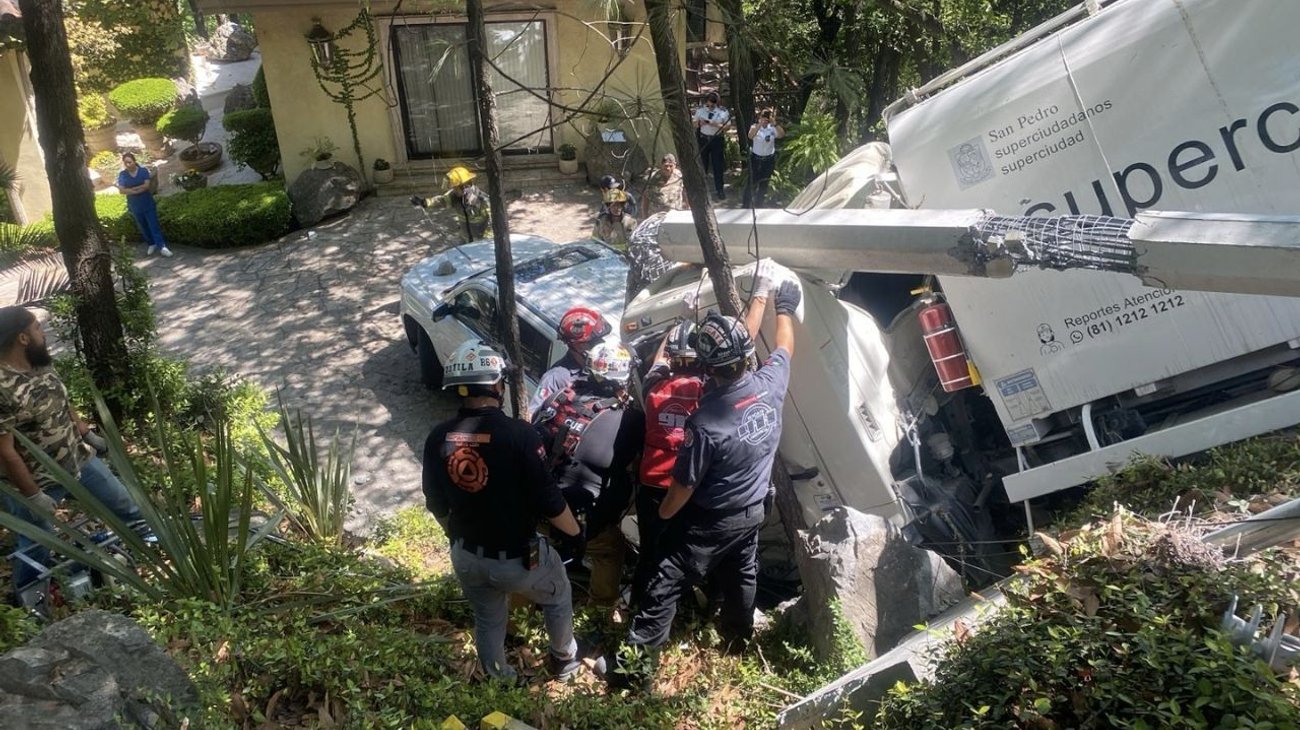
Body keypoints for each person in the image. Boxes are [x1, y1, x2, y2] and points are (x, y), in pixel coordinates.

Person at [605, 279, 802, 689]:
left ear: (708, 367)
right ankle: (737, 639)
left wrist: (662, 514)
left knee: (664, 580)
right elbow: (784, 349)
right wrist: (784, 306)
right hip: (752, 513)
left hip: (707, 521)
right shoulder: (771, 385)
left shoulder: (706, 422)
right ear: (747, 357)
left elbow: (684, 486)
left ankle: (631, 674)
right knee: (741, 573)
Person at [422, 339, 585, 683]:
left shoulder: (438, 437)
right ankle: (564, 659)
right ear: (497, 385)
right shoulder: (519, 435)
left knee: (488, 617)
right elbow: (549, 499)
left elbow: (436, 503)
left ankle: (500, 679)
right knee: (558, 594)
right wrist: (575, 535)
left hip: (465, 556)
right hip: (515, 559)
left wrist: (457, 535)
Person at [632, 273, 771, 608]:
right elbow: (742, 344)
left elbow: (660, 360)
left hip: (650, 485)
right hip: (685, 487)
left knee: (652, 551)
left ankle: (643, 603)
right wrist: (761, 296)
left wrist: (679, 321)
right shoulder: (709, 392)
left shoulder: (654, 389)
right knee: (689, 555)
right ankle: (698, 605)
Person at [0, 307, 146, 599]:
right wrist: (32, 495)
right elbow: (4, 452)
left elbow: (62, 400)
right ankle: (29, 598)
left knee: (125, 505)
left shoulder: (39, 363)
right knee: (36, 543)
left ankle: (153, 550)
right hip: (37, 480)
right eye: (38, 328)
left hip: (78, 459)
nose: (43, 332)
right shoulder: (3, 387)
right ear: (23, 337)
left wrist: (85, 432)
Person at [533, 342, 644, 606]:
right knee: (610, 551)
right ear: (624, 379)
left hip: (538, 506)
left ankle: (521, 613)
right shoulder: (629, 419)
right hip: (582, 519)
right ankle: (600, 610)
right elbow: (639, 464)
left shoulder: (560, 397)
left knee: (536, 552)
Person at [528, 306, 612, 415]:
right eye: (594, 342)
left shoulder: (605, 365)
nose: (600, 346)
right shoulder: (555, 378)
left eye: (601, 340)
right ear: (576, 345)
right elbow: (532, 417)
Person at [410, 166, 492, 243]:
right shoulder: (455, 197)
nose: (454, 190)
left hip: (481, 242)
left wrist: (485, 242)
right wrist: (424, 202)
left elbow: (492, 224)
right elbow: (441, 201)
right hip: (464, 239)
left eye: (455, 188)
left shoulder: (482, 201)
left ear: (464, 187)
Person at [116, 153, 172, 257]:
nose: (128, 164)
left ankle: (162, 246)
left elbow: (146, 186)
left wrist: (131, 190)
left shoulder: (143, 171)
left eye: (129, 162)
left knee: (153, 224)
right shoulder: (123, 174)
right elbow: (121, 190)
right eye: (125, 163)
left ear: (134, 161)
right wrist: (136, 189)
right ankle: (151, 243)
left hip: (147, 202)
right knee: (142, 226)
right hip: (135, 205)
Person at [692, 92, 731, 201]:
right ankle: (702, 191)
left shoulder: (723, 111)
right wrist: (700, 123)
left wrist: (716, 125)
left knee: (717, 166)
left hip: (716, 139)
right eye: (708, 105)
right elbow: (694, 123)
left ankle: (720, 190)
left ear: (717, 103)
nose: (709, 107)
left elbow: (727, 127)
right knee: (702, 166)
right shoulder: (700, 110)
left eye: (712, 105)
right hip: (703, 139)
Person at [744, 109, 784, 208]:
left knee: (764, 184)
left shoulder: (772, 128)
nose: (765, 121)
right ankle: (745, 205)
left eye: (767, 119)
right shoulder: (755, 127)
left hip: (768, 160)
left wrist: (775, 124)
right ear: (759, 118)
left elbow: (782, 134)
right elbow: (750, 136)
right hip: (756, 160)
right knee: (751, 183)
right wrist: (759, 125)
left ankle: (759, 205)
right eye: (763, 118)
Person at [640, 153, 685, 218]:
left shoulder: (679, 176)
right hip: (657, 217)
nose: (668, 168)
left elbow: (685, 191)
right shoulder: (653, 179)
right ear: (661, 165)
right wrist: (645, 216)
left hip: (675, 216)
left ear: (675, 165)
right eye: (666, 166)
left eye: (671, 166)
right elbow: (645, 198)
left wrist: (687, 207)